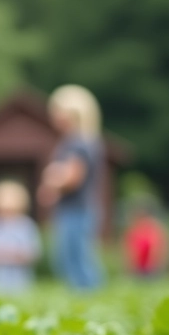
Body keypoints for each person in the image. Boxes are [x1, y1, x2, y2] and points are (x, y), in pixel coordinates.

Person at [37, 85, 105, 290]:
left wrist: (51, 180)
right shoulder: (87, 141)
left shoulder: (77, 143)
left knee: (76, 259)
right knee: (77, 257)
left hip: (76, 209)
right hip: (82, 208)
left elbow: (74, 177)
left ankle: (88, 296)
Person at [0, 180, 41, 293]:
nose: (7, 214)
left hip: (21, 281)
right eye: (3, 210)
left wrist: (16, 254)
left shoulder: (27, 226)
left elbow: (34, 252)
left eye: (11, 210)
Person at [124, 203, 169, 278]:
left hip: (152, 268)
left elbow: (157, 248)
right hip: (137, 268)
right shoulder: (134, 229)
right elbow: (129, 249)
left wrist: (155, 265)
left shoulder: (154, 229)